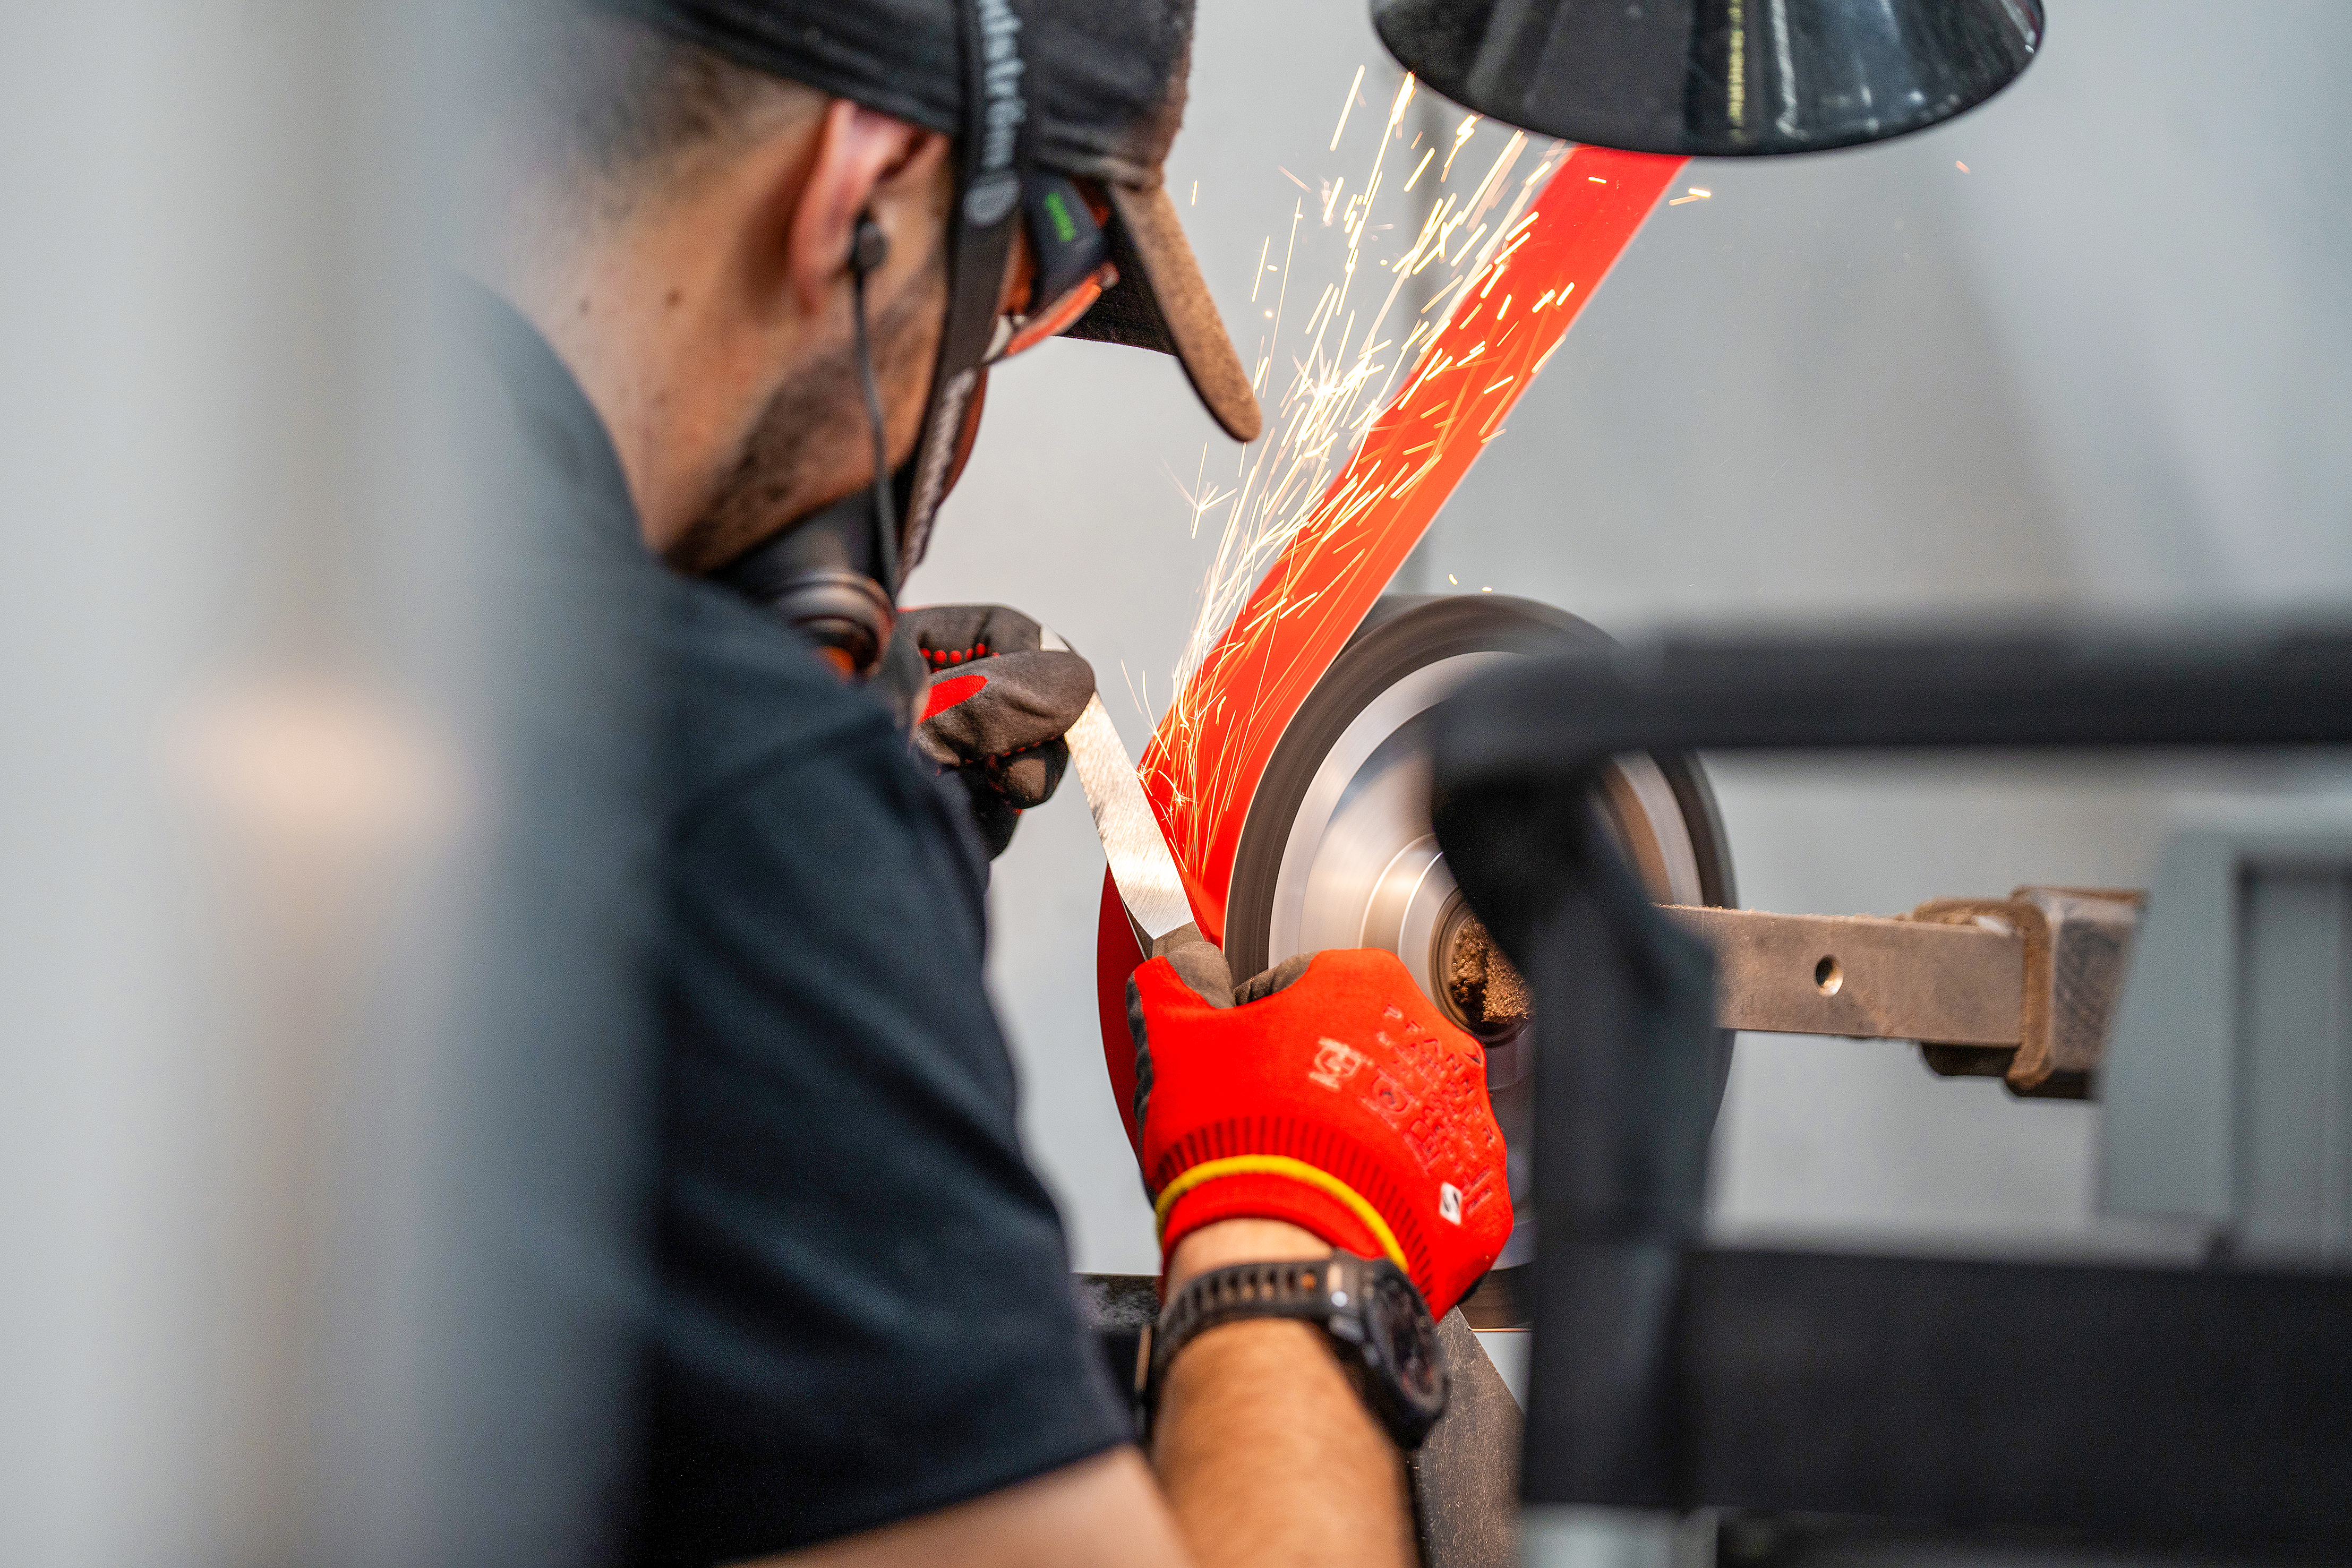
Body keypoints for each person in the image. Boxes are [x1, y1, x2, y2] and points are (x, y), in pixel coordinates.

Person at [451, 2, 1513, 1563]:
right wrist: (1299, 1230)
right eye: (1020, 295)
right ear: (859, 190)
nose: (969, 408)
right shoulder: (721, 790)